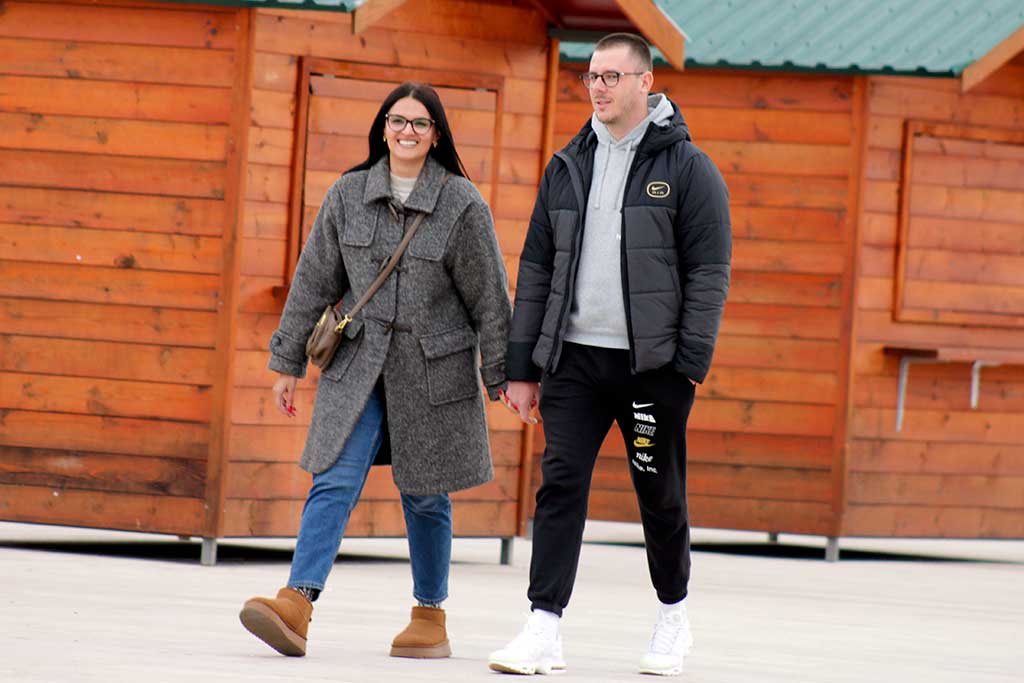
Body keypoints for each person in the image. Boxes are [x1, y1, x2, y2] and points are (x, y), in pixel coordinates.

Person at [239, 82, 511, 660]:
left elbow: (490, 298)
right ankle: (296, 603)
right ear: (383, 130)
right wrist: (287, 362)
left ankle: (429, 617)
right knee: (333, 477)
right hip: (357, 365)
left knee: (425, 494)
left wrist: (503, 377)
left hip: (433, 373)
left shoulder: (462, 203)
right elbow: (313, 280)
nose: (407, 131)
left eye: (419, 123)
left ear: (435, 135)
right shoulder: (348, 194)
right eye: (397, 121)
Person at [489, 33, 731, 676]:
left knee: (659, 493)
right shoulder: (568, 163)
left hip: (651, 368)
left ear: (645, 82)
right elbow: (536, 268)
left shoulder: (689, 168)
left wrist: (687, 364)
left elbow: (710, 271)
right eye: (592, 76)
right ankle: (543, 627)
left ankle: (673, 618)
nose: (598, 87)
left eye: (612, 77)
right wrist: (522, 367)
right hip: (574, 361)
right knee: (560, 485)